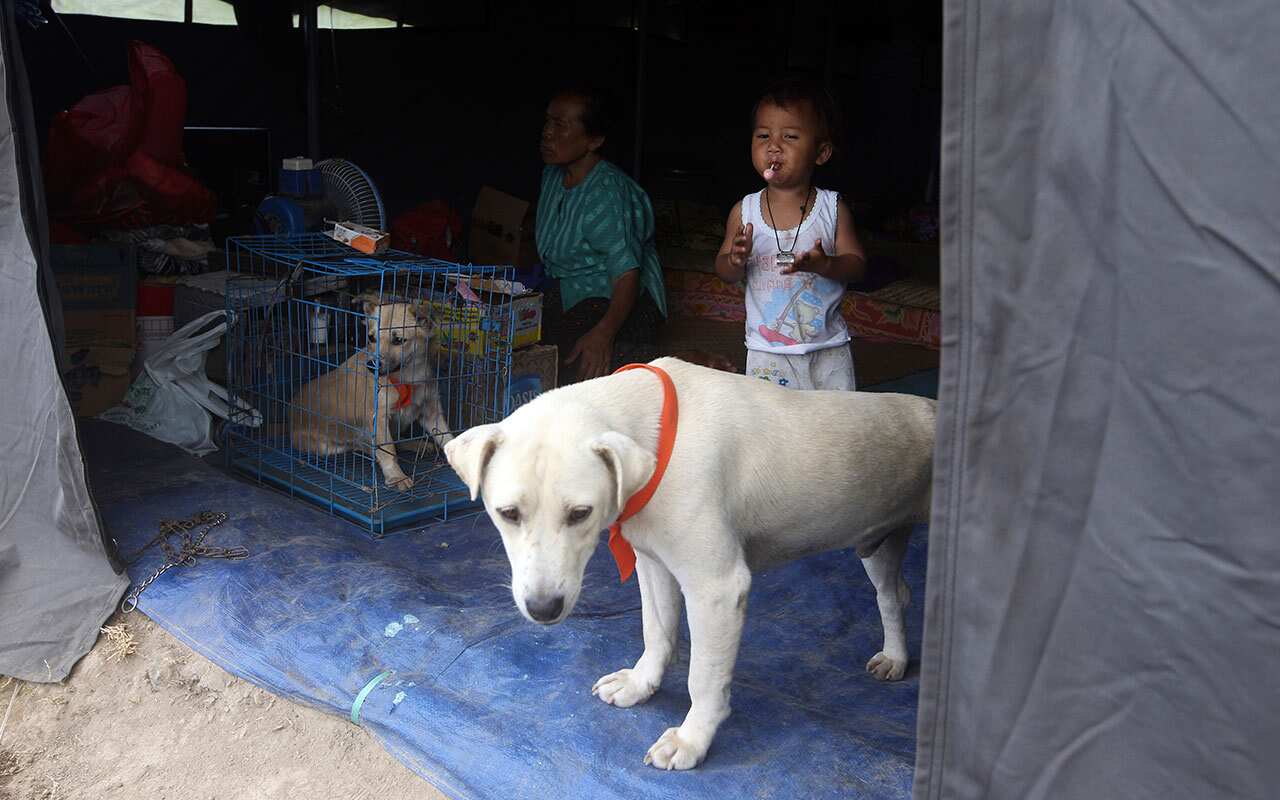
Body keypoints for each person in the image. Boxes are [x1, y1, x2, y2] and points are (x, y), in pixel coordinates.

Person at [714, 79, 867, 390]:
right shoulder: (744, 211)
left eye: (790, 136)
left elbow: (858, 265)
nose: (774, 146)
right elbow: (724, 272)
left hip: (828, 349)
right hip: (767, 352)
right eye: (763, 136)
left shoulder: (832, 208)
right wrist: (735, 259)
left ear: (821, 152)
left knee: (836, 429)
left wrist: (827, 265)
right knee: (774, 430)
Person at [535, 86, 668, 383]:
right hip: (568, 291)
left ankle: (678, 362)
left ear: (594, 140)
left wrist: (603, 334)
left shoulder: (606, 193)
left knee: (575, 359)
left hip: (618, 299)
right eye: (547, 122)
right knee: (526, 341)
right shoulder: (552, 175)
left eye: (560, 125)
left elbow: (626, 273)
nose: (547, 133)